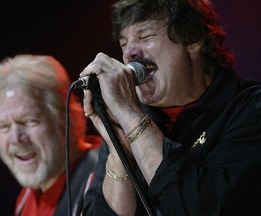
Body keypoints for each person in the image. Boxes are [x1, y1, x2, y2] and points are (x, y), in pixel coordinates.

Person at [79, 0, 261, 215]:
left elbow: (200, 208)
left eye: (145, 37)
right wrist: (119, 154)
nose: (130, 54)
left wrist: (131, 116)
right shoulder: (127, 119)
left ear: (192, 38)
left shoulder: (249, 108)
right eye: (123, 44)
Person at [0, 54, 101, 216]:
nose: (16, 139)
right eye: (3, 126)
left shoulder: (104, 180)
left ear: (66, 119)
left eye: (29, 121)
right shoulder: (26, 199)